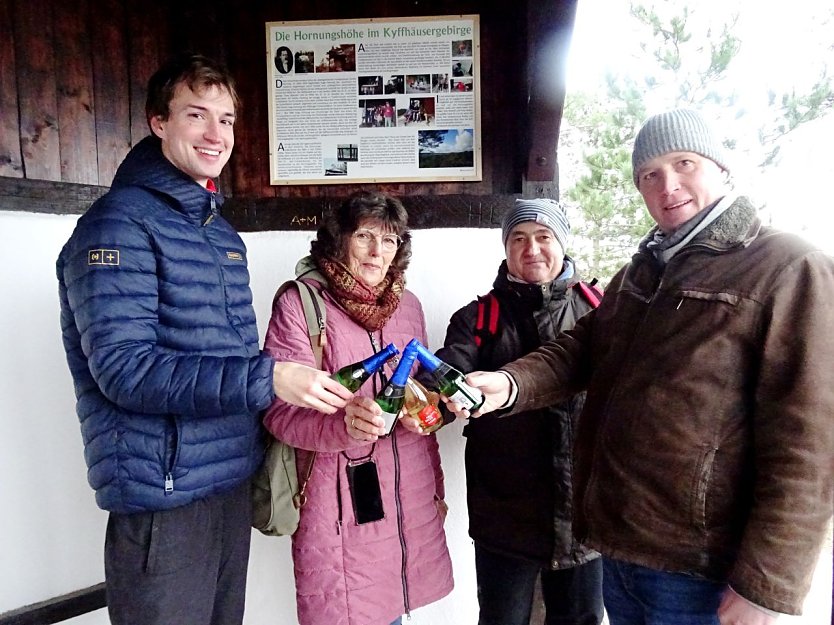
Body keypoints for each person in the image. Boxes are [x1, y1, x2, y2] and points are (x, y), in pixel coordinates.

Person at [450, 109, 834, 625]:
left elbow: (811, 439)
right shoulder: (639, 273)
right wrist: (509, 383)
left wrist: (767, 584)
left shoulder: (787, 266)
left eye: (684, 164)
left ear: (720, 167)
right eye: (649, 175)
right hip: (619, 550)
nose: (667, 185)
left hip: (700, 570)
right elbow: (580, 350)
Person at [56, 53, 351, 625]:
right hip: (164, 495)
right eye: (197, 115)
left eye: (228, 119)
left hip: (226, 480)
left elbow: (227, 358)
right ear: (158, 122)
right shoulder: (118, 224)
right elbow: (125, 370)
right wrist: (270, 377)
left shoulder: (219, 233)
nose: (217, 134)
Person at [262, 191, 453, 625]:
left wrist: (431, 418)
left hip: (408, 498)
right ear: (339, 238)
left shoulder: (409, 306)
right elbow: (278, 412)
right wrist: (344, 425)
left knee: (391, 612)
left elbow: (422, 399)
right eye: (365, 235)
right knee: (352, 611)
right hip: (340, 502)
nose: (376, 251)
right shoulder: (302, 303)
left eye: (389, 240)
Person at [431, 198, 604, 625]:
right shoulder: (479, 318)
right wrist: (438, 398)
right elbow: (447, 373)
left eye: (544, 237)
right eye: (519, 239)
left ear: (562, 243)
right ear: (505, 247)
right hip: (504, 517)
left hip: (585, 517)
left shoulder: (601, 311)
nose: (532, 249)